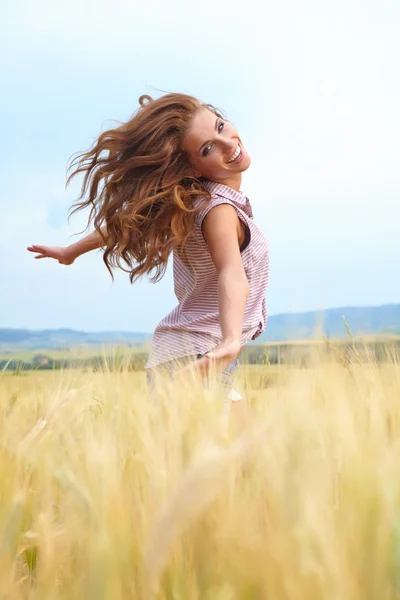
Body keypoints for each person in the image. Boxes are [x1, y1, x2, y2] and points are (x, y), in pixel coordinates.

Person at [27, 93, 269, 414]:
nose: (227, 143)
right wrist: (229, 340)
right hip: (202, 354)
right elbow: (230, 271)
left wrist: (71, 251)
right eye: (207, 148)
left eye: (221, 127)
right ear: (192, 168)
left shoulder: (190, 202)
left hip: (178, 354)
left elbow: (130, 222)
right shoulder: (219, 209)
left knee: (219, 460)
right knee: (234, 460)